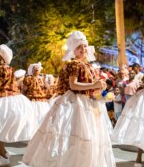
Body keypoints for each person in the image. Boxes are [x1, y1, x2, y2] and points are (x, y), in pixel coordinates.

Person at [23, 31, 116, 167]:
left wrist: (103, 94)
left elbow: (90, 89)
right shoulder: (73, 64)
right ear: (74, 49)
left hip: (89, 104)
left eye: (85, 46)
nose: (83, 49)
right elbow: (73, 85)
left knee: (90, 138)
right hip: (75, 104)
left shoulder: (88, 66)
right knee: (75, 137)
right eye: (79, 47)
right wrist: (94, 84)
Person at [23, 62, 51, 126]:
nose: (36, 69)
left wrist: (46, 86)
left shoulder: (42, 79)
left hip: (42, 102)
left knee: (42, 118)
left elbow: (47, 89)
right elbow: (24, 90)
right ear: (32, 70)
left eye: (38, 67)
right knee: (32, 119)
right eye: (34, 68)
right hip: (31, 100)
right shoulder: (28, 79)